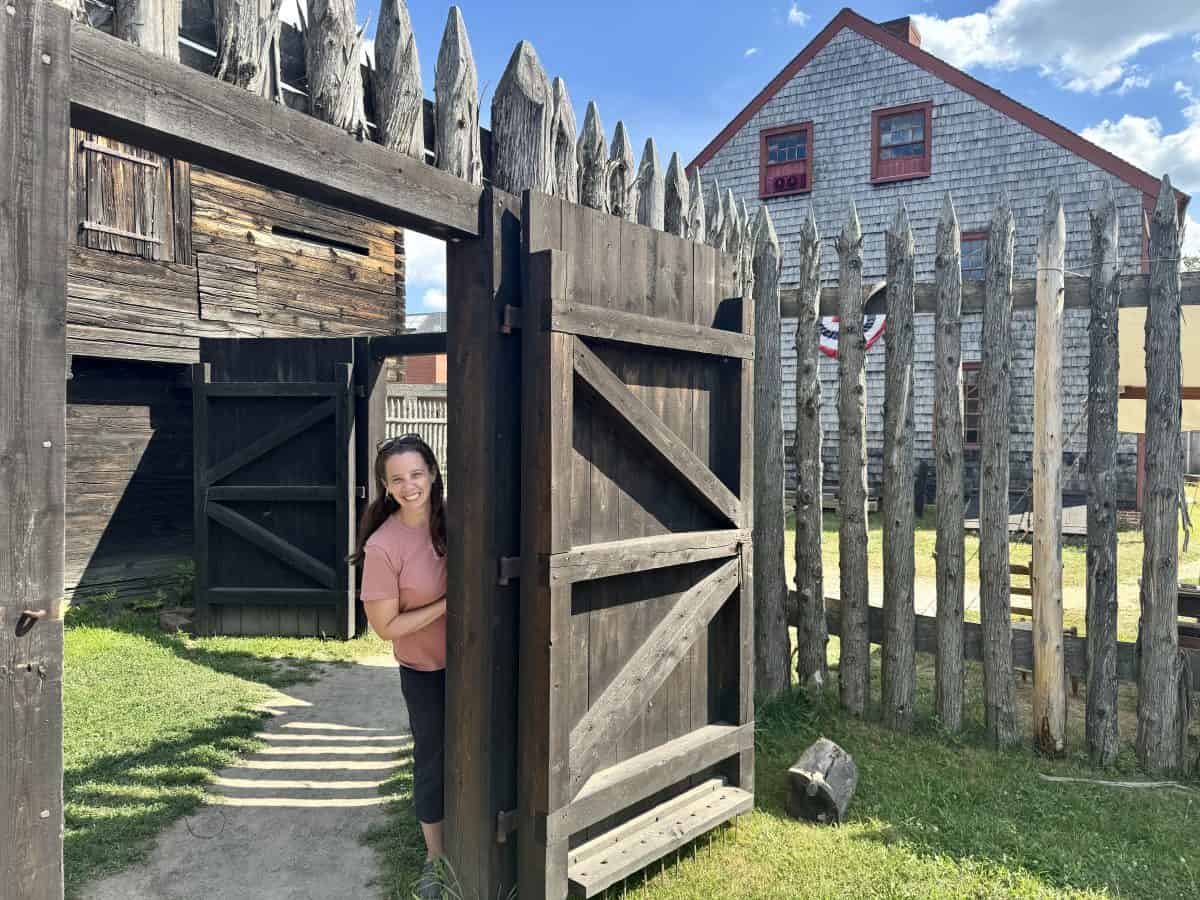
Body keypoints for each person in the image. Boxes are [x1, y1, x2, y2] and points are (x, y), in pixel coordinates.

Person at [352, 434, 448, 899]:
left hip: (479, 662)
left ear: (432, 472)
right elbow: (386, 627)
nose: (410, 486)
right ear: (386, 488)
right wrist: (448, 605)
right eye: (397, 479)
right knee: (432, 758)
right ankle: (436, 858)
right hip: (426, 669)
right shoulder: (383, 546)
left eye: (416, 474)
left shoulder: (459, 520)